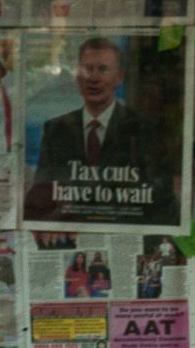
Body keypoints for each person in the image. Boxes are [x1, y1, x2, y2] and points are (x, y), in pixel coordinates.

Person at [26, 37, 175, 223]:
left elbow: (160, 200)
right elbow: (41, 197)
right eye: (88, 69)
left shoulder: (143, 129)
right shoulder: (56, 129)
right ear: (77, 75)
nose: (93, 78)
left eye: (103, 69)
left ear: (119, 77)